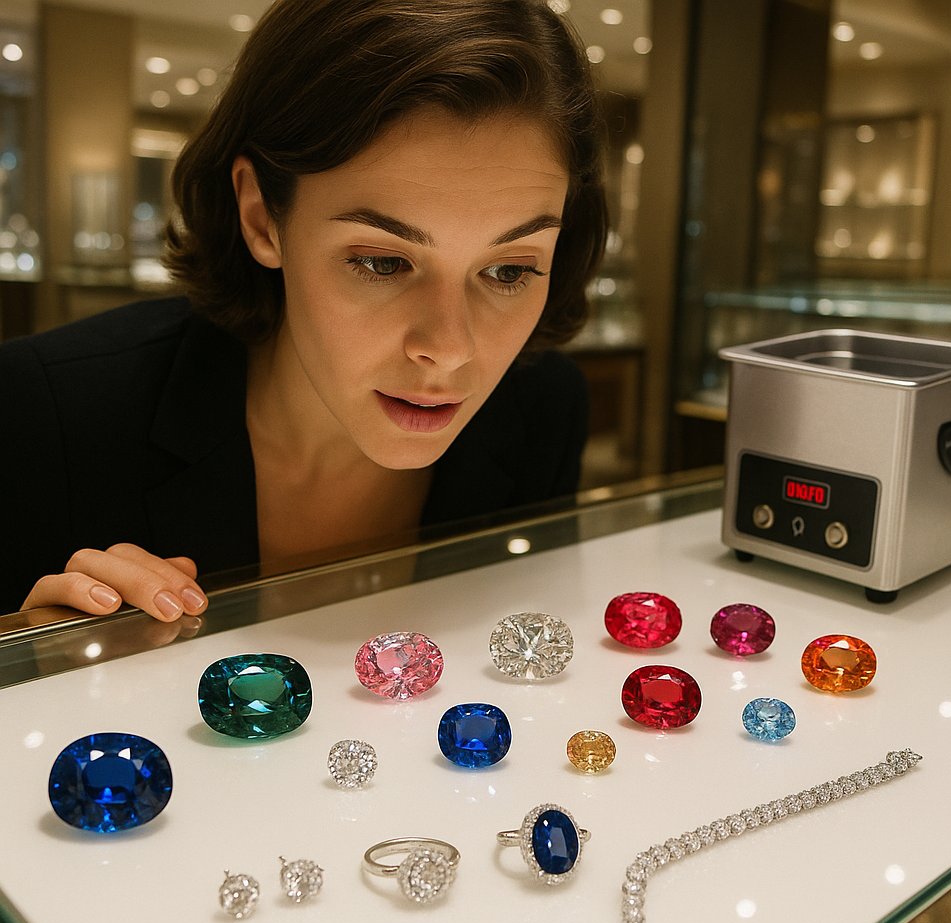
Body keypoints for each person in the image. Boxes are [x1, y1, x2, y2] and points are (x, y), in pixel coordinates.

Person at [0, 0, 607, 619]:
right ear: (262, 217)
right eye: (382, 262)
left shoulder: (542, 409)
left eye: (509, 271)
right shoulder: (44, 416)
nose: (449, 347)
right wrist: (25, 665)